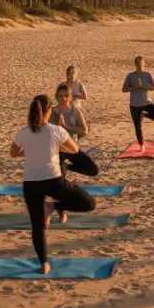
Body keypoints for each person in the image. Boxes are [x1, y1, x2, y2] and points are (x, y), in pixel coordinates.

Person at [10, 95, 97, 274]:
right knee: (89, 203)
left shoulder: (24, 132)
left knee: (37, 226)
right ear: (49, 111)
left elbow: (13, 152)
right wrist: (56, 149)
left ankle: (44, 264)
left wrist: (30, 151)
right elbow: (74, 149)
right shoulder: (56, 130)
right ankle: (52, 206)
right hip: (53, 182)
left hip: (31, 185)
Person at [49, 84, 99, 224]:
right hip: (57, 151)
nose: (64, 98)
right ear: (56, 97)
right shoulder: (51, 112)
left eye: (66, 96)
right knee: (59, 185)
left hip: (72, 149)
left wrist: (66, 128)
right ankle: (61, 213)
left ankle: (67, 166)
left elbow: (84, 131)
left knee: (93, 170)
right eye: (61, 96)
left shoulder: (75, 111)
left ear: (71, 97)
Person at [122, 55, 154, 151]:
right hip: (134, 105)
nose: (139, 64)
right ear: (135, 64)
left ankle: (144, 115)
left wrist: (143, 86)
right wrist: (135, 87)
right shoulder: (130, 76)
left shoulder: (148, 75)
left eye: (141, 62)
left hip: (146, 102)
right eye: (137, 63)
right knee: (137, 126)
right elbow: (124, 89)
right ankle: (141, 145)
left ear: (144, 63)